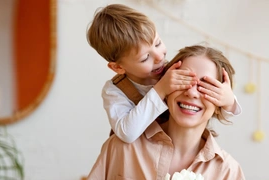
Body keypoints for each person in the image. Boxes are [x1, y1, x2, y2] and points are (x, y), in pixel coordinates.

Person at [74, 45, 247, 180]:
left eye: (207, 87)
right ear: (165, 88)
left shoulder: (229, 174)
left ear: (220, 104)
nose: (192, 92)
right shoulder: (121, 148)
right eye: (183, 79)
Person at [87, 4, 242, 143]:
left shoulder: (175, 70)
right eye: (145, 57)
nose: (160, 57)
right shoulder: (115, 91)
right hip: (135, 158)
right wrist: (160, 89)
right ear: (118, 67)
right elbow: (127, 133)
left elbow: (208, 106)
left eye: (158, 43)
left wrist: (228, 102)